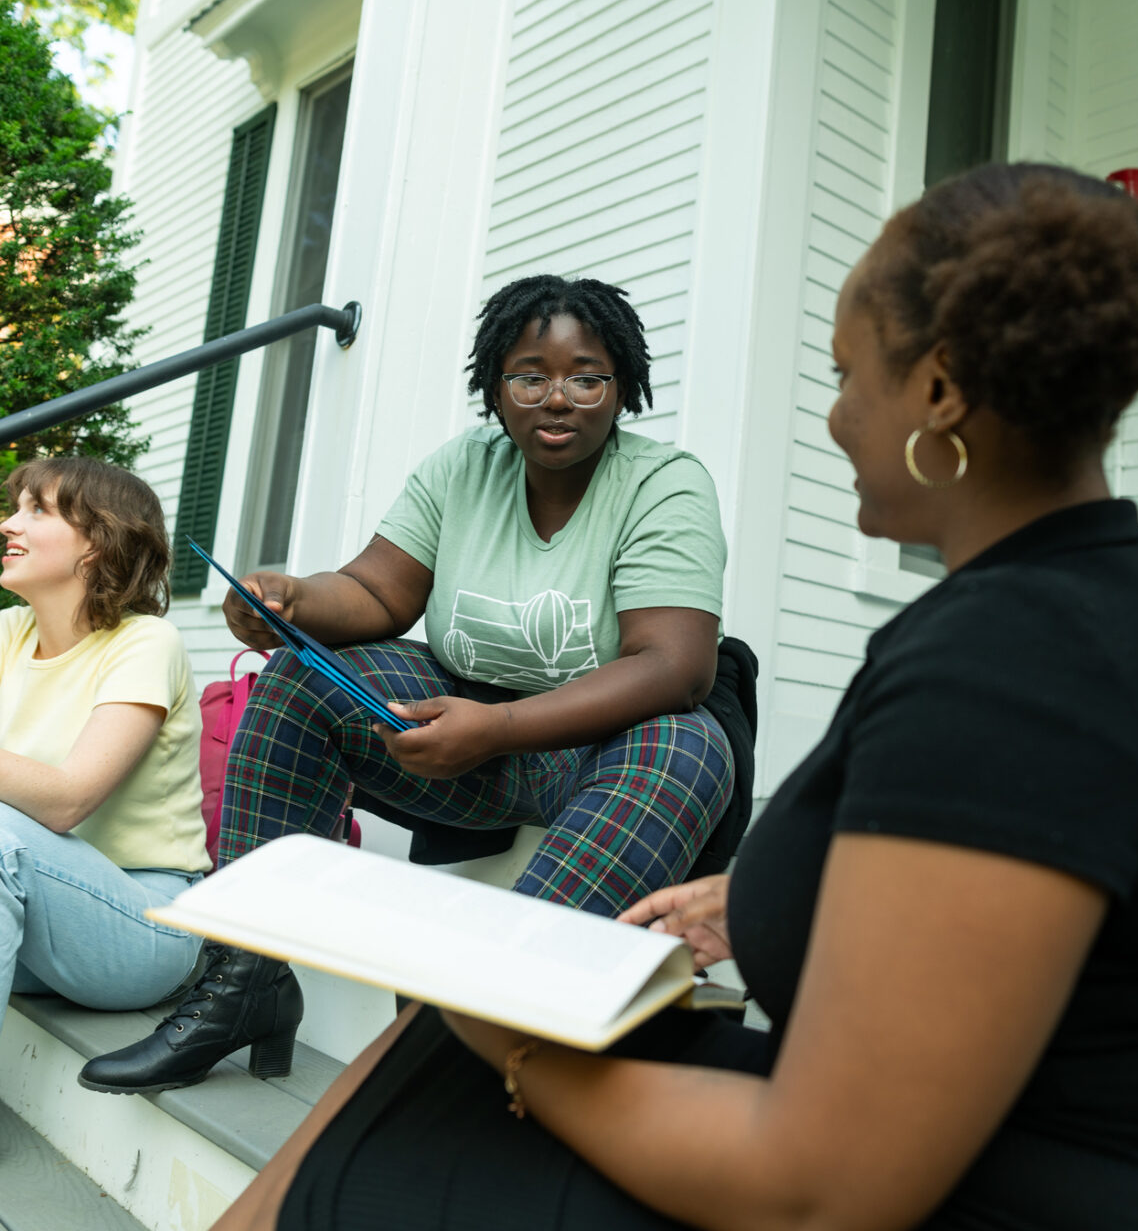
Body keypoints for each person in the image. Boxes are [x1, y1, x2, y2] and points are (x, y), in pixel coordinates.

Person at [210, 162, 1138, 1231]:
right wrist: (774, 892)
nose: (831, 418)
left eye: (845, 374)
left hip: (1048, 1187)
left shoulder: (1021, 660)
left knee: (431, 1069)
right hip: (966, 1134)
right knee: (414, 1078)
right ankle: (259, 996)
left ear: (940, 393)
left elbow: (822, 1186)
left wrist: (512, 1035)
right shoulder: (1058, 601)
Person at [80, 274, 751, 1096]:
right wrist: (289, 599)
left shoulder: (665, 482)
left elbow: (674, 665)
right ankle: (243, 981)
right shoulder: (464, 467)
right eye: (529, 375)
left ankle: (484, 1026)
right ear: (494, 387)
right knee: (298, 673)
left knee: (689, 741)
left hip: (607, 756)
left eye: (587, 376)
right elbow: (376, 594)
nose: (558, 398)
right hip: (470, 748)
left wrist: (499, 728)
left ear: (622, 386)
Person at [0, 458, 210, 1038]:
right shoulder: (8, 635)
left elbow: (69, 800)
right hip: (34, 914)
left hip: (148, 926)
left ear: (96, 542)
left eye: (36, 509)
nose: (8, 524)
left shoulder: (146, 643)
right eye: (16, 507)